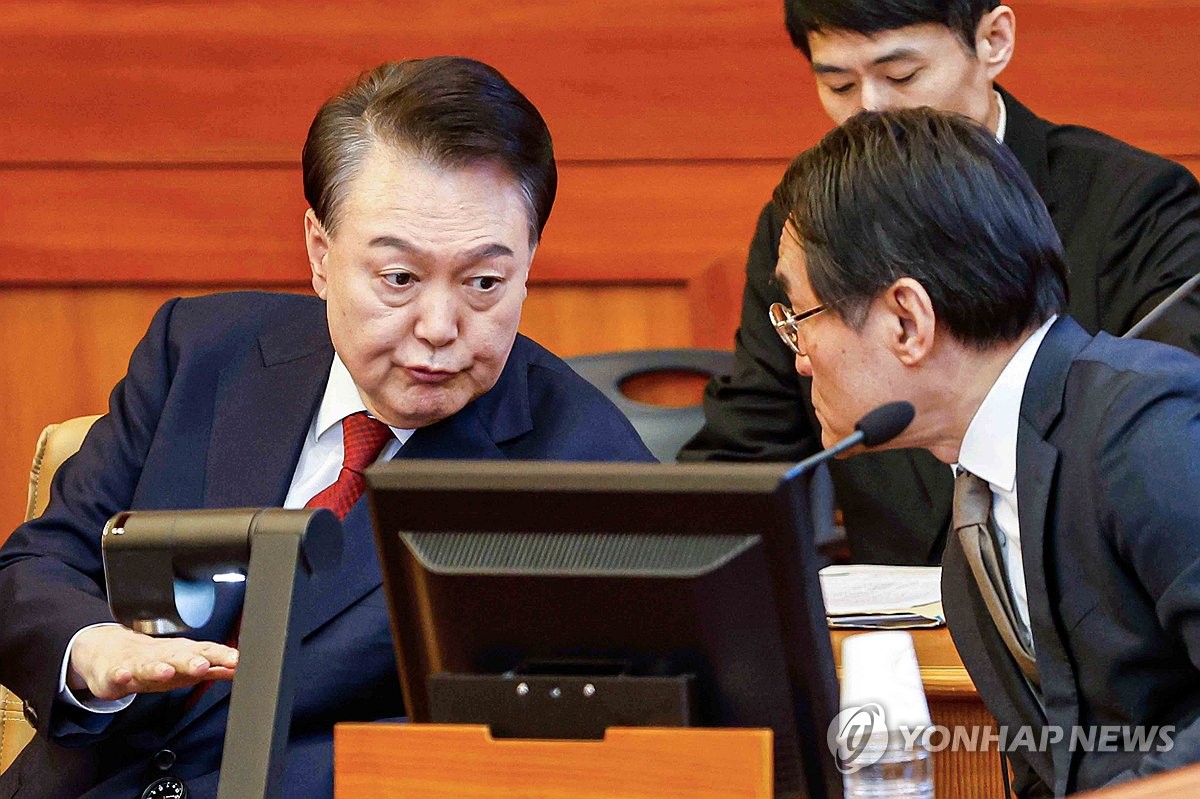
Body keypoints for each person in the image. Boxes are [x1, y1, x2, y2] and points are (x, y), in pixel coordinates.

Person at [0, 56, 653, 799]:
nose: (439, 328)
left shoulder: (584, 470)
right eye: (399, 279)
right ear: (319, 252)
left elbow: (534, 747)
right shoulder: (200, 351)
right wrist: (92, 652)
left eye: (484, 283)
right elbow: (35, 567)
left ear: (529, 261)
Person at [771, 107, 1200, 796]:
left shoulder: (1144, 429)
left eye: (800, 319)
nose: (797, 359)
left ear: (907, 320)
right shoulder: (974, 535)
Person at [679, 0, 1200, 565]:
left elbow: (1169, 440)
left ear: (994, 39)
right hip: (896, 623)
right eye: (838, 85)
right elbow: (750, 446)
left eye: (901, 75)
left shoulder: (1135, 204)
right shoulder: (803, 225)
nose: (869, 109)